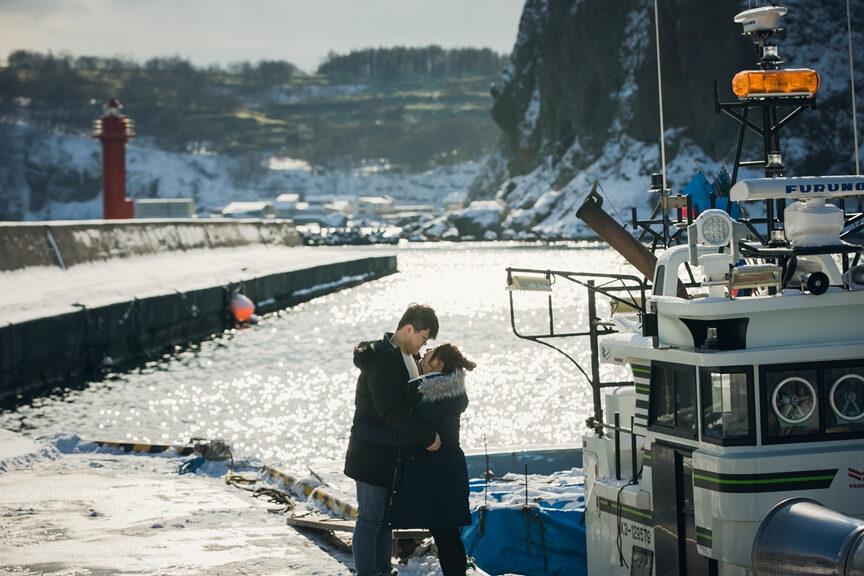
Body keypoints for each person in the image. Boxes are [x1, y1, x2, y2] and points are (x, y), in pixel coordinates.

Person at [344, 304, 443, 576]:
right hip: (370, 452)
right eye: (423, 337)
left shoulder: (408, 357)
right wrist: (424, 437)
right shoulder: (383, 359)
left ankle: (381, 571)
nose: (424, 343)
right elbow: (390, 411)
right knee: (370, 519)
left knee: (385, 520)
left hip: (390, 452)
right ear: (409, 328)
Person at [388, 343, 476, 576]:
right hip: (446, 469)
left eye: (430, 353)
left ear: (439, 363)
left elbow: (411, 424)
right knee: (446, 533)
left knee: (446, 534)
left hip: (440, 472)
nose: (424, 353)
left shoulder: (434, 393)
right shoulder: (444, 389)